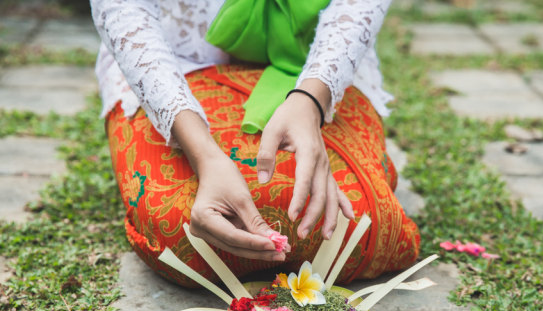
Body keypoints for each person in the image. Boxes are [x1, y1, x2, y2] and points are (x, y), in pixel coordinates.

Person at [90, 0, 420, 288]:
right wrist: (205, 157)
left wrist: (311, 100)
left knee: (358, 223)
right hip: (177, 62)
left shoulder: (318, 83)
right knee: (181, 225)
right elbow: (123, 8)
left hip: (315, 62)